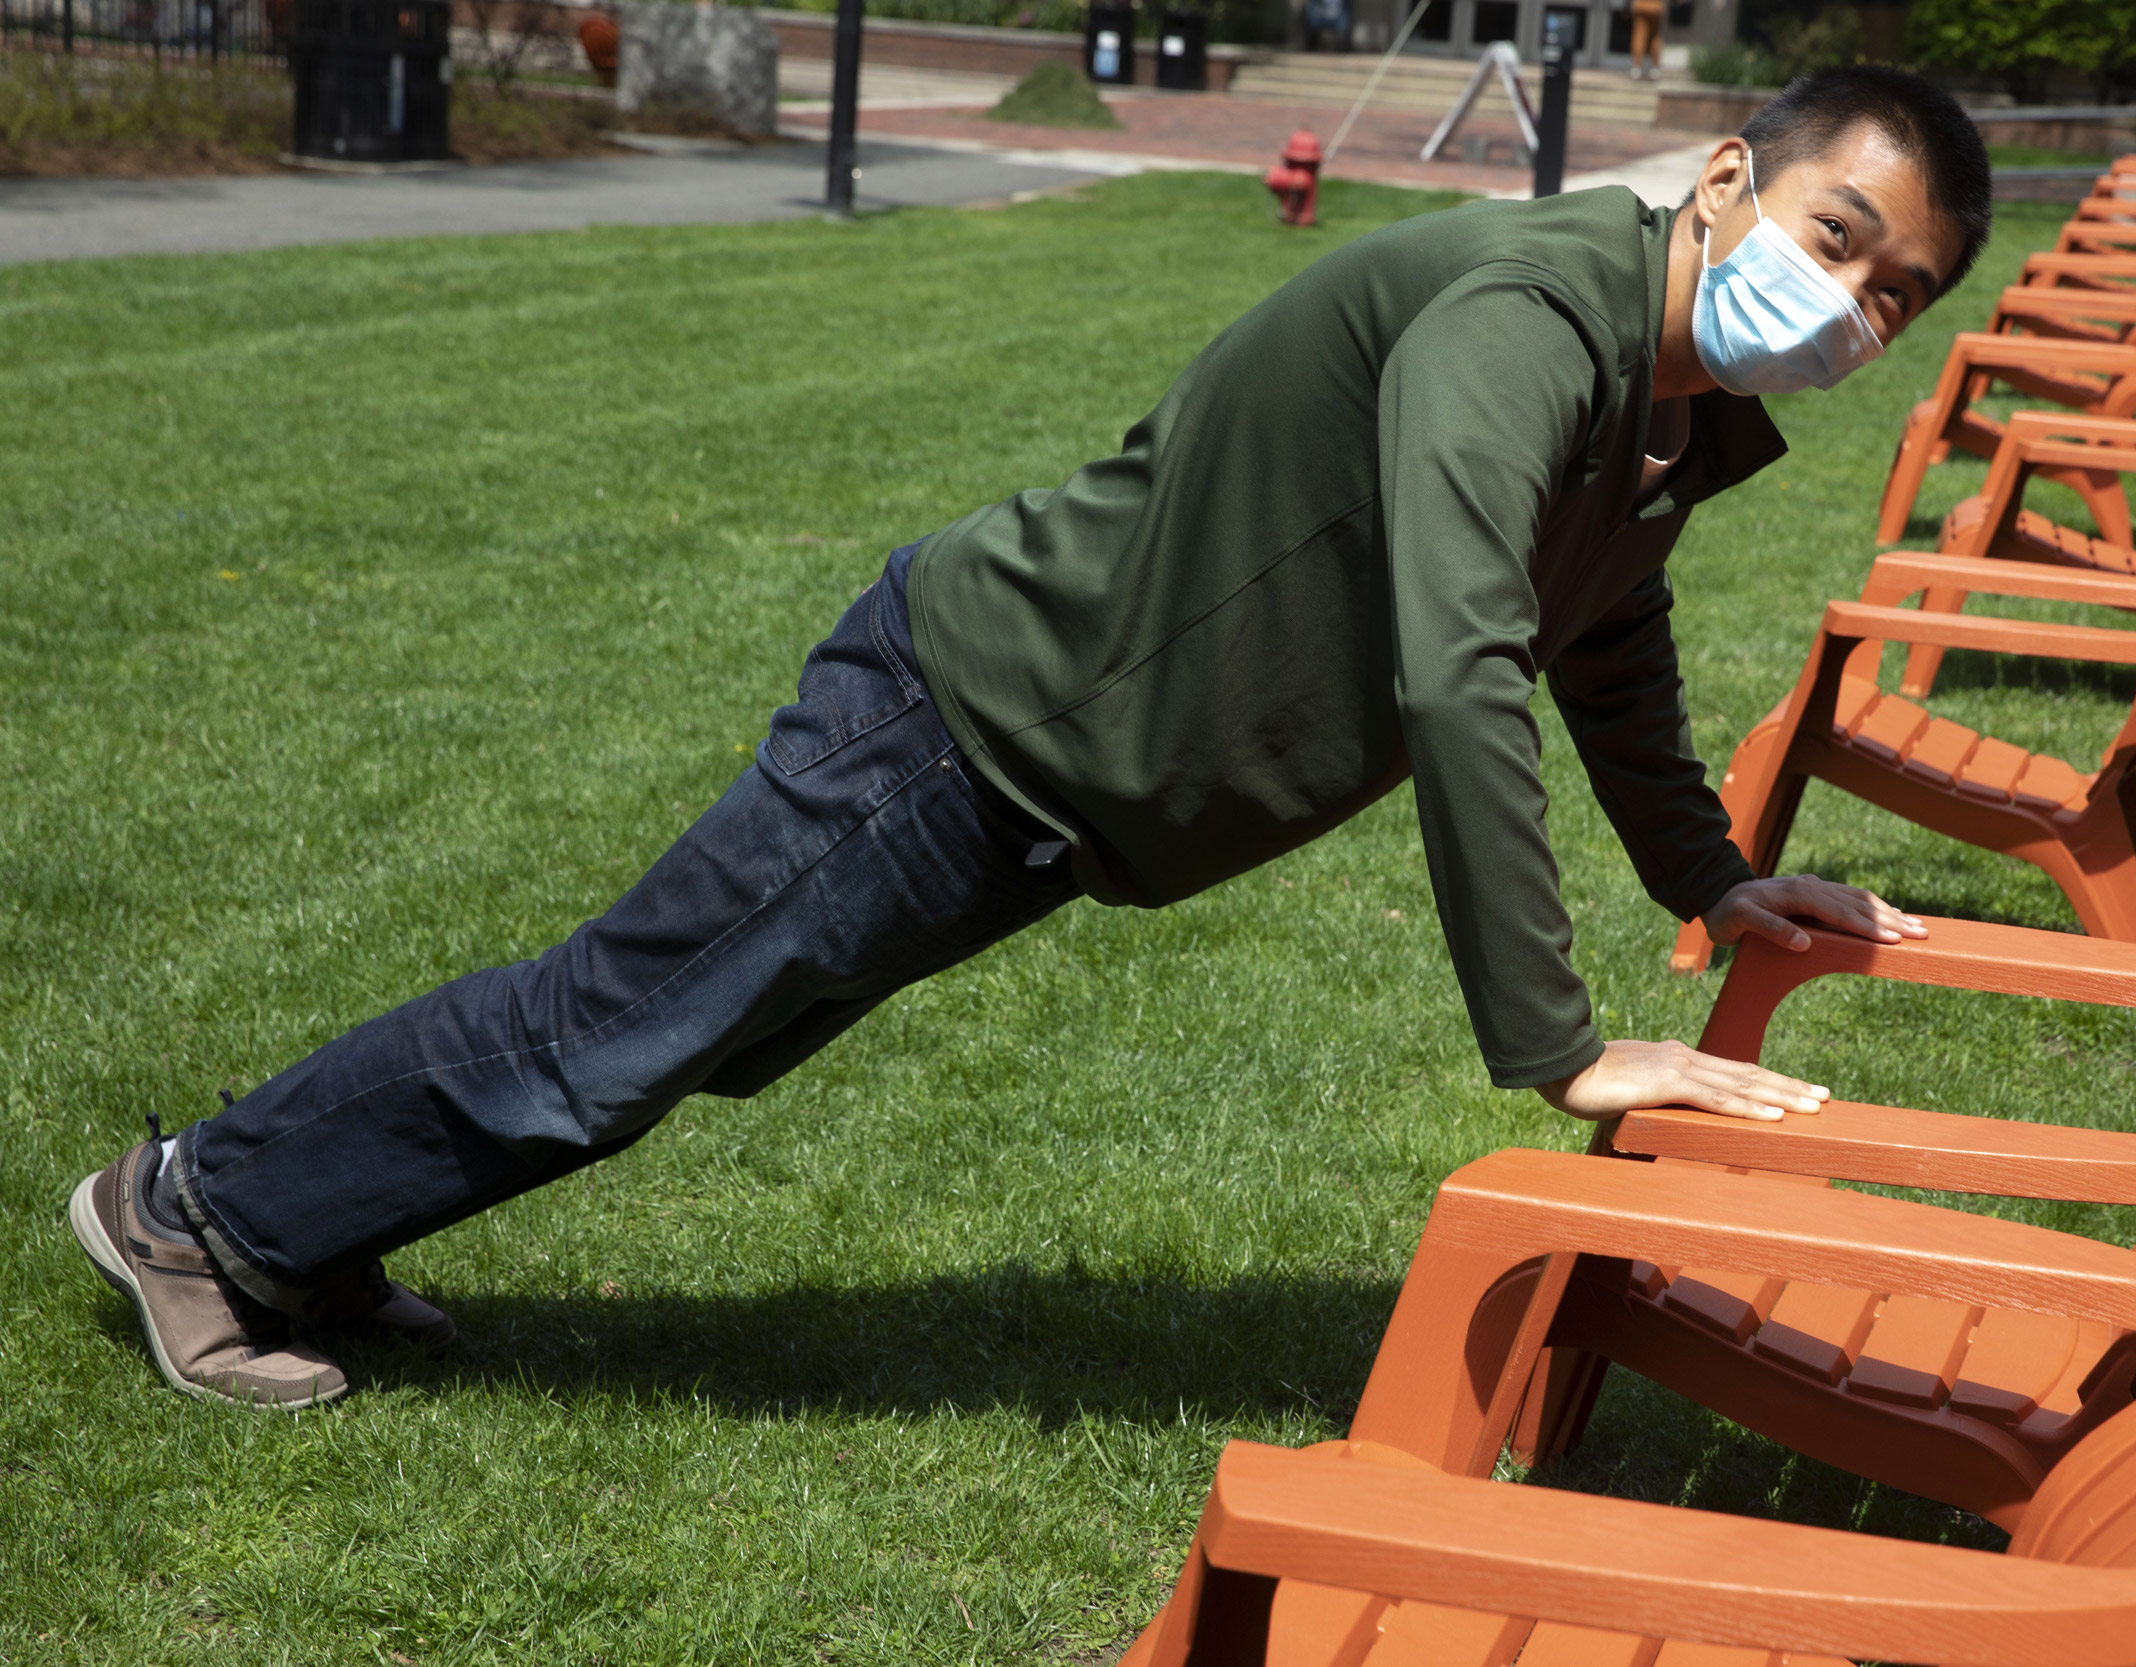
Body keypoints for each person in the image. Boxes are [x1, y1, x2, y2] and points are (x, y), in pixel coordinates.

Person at [71, 64, 1992, 1408]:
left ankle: (302, 1225)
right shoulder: (1531, 315)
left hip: (1038, 780)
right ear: (1728, 177)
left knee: (675, 1040)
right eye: (1840, 235)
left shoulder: (1666, 410)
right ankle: (197, 1211)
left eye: (1895, 294)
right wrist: (1557, 1043)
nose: (1851, 306)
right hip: (965, 725)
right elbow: (1461, 662)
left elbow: (1607, 646)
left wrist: (1714, 879)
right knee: (615, 1030)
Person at [1628, 0, 1666, 80]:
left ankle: (1636, 67)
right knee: (1655, 38)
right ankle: (1655, 68)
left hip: (1640, 5)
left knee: (1639, 36)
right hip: (1656, 6)